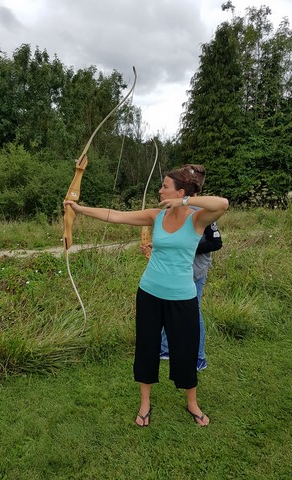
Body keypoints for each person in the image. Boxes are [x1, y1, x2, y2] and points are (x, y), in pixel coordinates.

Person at [64, 166, 229, 428]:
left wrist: (183, 202)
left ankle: (192, 403)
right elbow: (116, 216)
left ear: (180, 191)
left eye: (165, 186)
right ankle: (144, 403)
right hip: (150, 293)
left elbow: (222, 203)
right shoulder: (156, 215)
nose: (160, 190)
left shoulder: (197, 220)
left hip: (182, 297)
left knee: (185, 350)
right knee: (147, 348)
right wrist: (79, 209)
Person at [159, 165, 223, 372]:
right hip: (174, 271)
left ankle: (198, 358)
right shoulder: (174, 208)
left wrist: (187, 244)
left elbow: (215, 243)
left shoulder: (202, 211)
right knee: (165, 307)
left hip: (194, 272)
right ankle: (166, 349)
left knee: (192, 313)